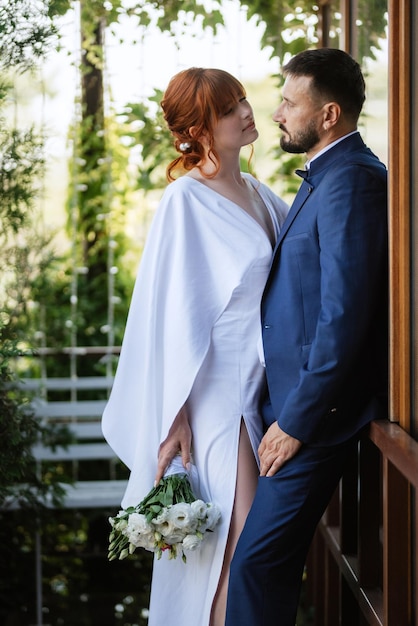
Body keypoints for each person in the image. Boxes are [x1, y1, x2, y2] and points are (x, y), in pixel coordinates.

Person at [101, 67, 289, 626]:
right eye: (231, 109)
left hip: (257, 391)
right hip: (214, 399)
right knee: (241, 545)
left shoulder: (256, 191)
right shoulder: (185, 201)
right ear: (199, 129)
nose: (248, 113)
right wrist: (176, 415)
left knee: (234, 550)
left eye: (244, 101)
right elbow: (171, 316)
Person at [225, 48, 388, 626]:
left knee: (255, 567)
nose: (277, 115)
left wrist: (297, 421)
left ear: (329, 115)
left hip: (317, 417)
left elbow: (344, 316)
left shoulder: (353, 182)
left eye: (290, 103)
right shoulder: (326, 175)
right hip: (291, 407)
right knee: (260, 565)